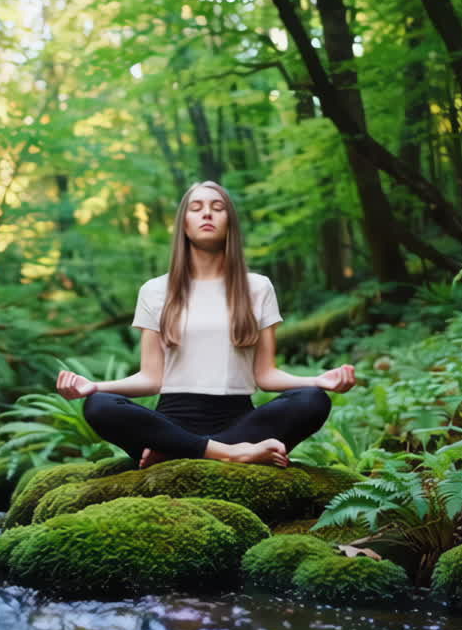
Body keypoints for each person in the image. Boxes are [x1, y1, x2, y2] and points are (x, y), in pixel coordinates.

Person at [55, 181, 356, 468]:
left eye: (217, 207)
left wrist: (318, 381)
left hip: (239, 421)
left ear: (230, 223)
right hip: (170, 420)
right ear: (184, 224)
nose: (207, 213)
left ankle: (177, 452)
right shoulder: (154, 290)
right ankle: (229, 453)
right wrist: (94, 386)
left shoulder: (258, 287)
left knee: (312, 401)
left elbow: (265, 375)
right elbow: (151, 378)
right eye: (196, 207)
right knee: (99, 405)